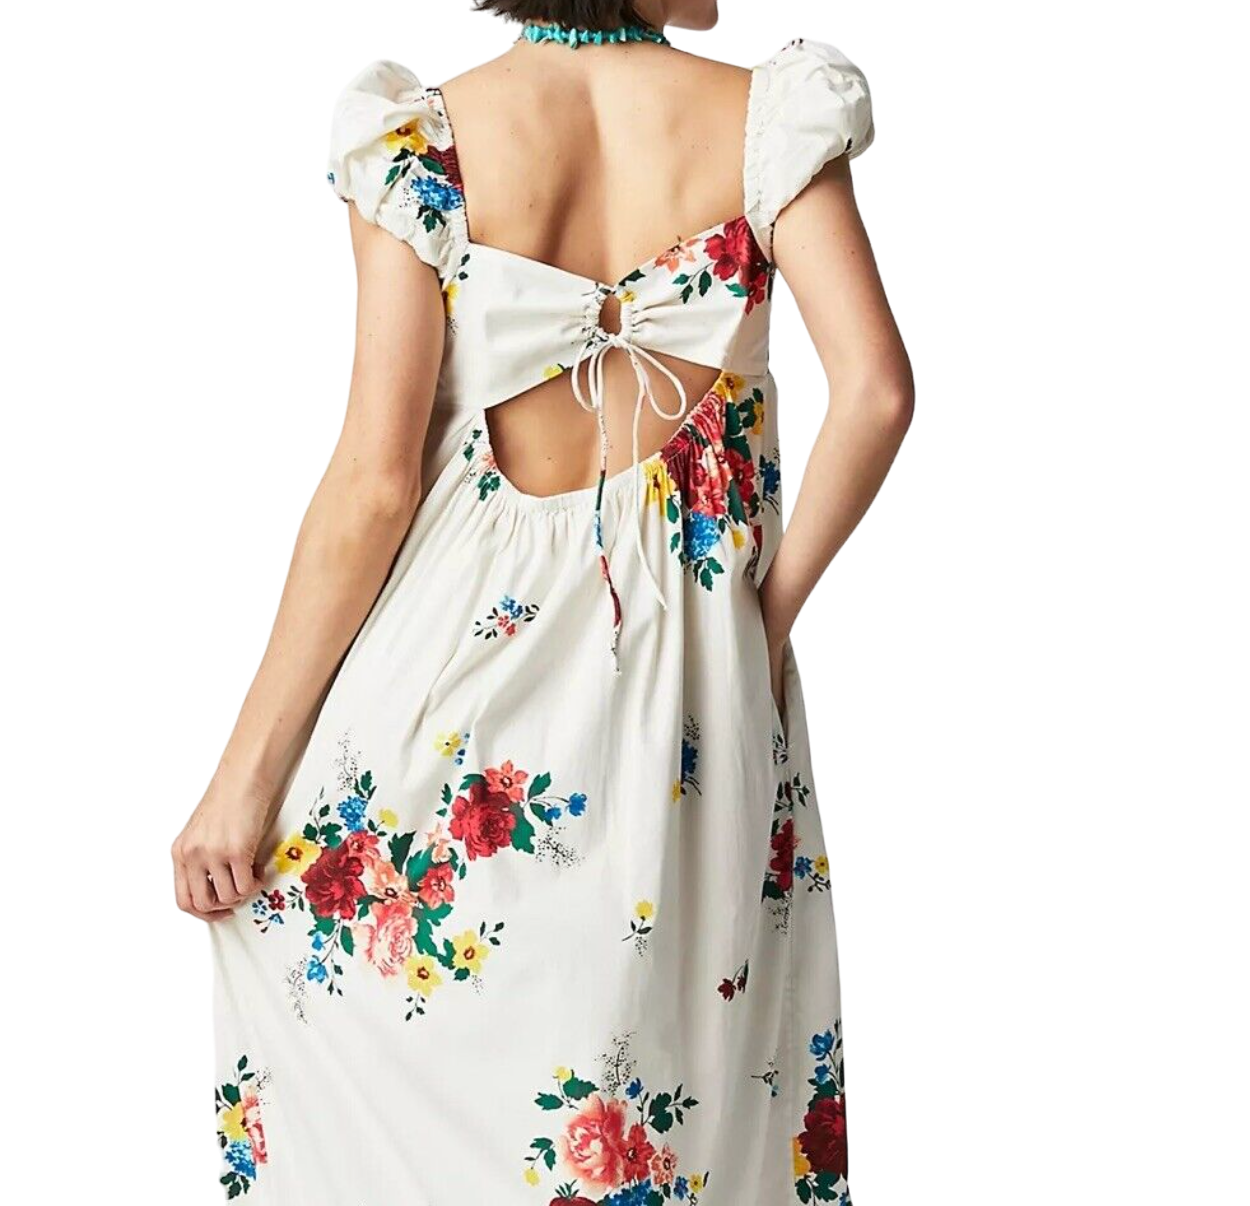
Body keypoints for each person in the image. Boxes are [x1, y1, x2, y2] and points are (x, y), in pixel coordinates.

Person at [175, 2, 912, 1200]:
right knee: (665, 1102)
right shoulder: (766, 116)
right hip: (686, 694)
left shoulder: (421, 133)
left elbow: (373, 487)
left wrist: (239, 781)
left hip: (445, 686)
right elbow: (873, 391)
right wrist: (762, 619)